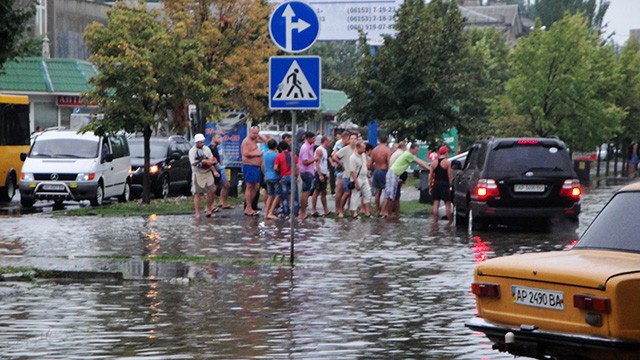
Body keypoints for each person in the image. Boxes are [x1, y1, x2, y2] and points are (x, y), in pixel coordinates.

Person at [380, 143, 429, 218]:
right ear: (411, 149)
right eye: (416, 150)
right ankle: (384, 212)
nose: (417, 152)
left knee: (390, 194)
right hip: (393, 173)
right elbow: (421, 164)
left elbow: (422, 162)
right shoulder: (408, 155)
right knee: (390, 194)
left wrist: (430, 164)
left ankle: (385, 212)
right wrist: (431, 169)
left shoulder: (409, 155)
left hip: (394, 174)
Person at [189, 133, 218, 219]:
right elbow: (194, 163)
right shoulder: (192, 151)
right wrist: (204, 162)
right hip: (198, 173)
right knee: (198, 193)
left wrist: (214, 171)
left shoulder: (207, 149)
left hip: (208, 172)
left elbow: (211, 160)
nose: (202, 144)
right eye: (200, 142)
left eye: (203, 142)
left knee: (212, 190)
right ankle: (197, 213)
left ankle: (208, 209)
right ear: (196, 142)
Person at [333, 132, 357, 218]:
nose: (353, 141)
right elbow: (334, 156)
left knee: (351, 193)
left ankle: (349, 210)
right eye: (351, 139)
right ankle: (340, 209)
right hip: (345, 174)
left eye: (355, 139)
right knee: (345, 192)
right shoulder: (343, 148)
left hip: (354, 175)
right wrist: (341, 165)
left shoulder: (357, 149)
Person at [428, 145, 454, 223]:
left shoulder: (433, 163)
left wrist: (430, 187)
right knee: (447, 204)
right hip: (444, 185)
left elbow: (430, 176)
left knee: (436, 203)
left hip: (436, 184)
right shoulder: (447, 163)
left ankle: (435, 222)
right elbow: (450, 176)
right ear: (445, 152)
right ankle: (450, 222)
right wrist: (451, 186)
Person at [241, 127, 263, 216]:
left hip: (256, 167)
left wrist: (259, 134)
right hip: (249, 166)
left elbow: (266, 140)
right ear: (249, 132)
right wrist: (258, 153)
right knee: (249, 186)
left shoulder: (255, 140)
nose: (255, 135)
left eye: (256, 133)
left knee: (257, 186)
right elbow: (245, 153)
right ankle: (248, 207)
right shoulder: (246, 141)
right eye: (253, 133)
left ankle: (249, 206)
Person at [274, 141, 299, 219]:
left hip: (283, 177)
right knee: (294, 196)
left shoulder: (279, 156)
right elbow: (297, 167)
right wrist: (296, 175)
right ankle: (295, 214)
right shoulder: (294, 155)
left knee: (284, 196)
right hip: (292, 176)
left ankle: (286, 214)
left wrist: (280, 170)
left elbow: (275, 167)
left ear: (280, 148)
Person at [209, 133, 233, 210]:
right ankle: (211, 205)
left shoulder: (218, 147)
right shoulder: (211, 148)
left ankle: (223, 202)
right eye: (218, 137)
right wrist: (214, 170)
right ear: (213, 138)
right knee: (214, 187)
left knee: (226, 185)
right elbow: (211, 161)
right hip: (216, 169)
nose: (220, 139)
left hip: (221, 168)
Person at [348, 141, 372, 219]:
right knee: (355, 195)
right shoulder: (353, 157)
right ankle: (354, 213)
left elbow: (365, 166)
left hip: (364, 177)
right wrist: (356, 182)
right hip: (357, 178)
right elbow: (352, 171)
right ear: (358, 148)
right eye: (363, 148)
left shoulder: (363, 155)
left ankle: (367, 212)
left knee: (367, 194)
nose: (364, 150)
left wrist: (368, 176)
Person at [370, 134, 391, 216]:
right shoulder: (387, 150)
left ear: (379, 140)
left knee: (377, 192)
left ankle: (377, 210)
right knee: (386, 191)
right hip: (384, 171)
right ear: (386, 141)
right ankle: (383, 210)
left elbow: (371, 163)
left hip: (376, 170)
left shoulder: (374, 150)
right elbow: (389, 163)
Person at [297, 131, 316, 220]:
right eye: (313, 138)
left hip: (309, 172)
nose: (314, 140)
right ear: (308, 138)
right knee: (306, 192)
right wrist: (314, 159)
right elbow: (305, 162)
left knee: (307, 192)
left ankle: (303, 212)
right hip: (306, 172)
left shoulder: (310, 146)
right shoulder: (305, 148)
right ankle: (302, 213)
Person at [311, 136, 331, 217]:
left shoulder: (325, 150)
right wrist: (320, 174)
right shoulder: (320, 150)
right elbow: (317, 163)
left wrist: (326, 173)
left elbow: (324, 163)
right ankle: (313, 209)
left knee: (323, 191)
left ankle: (326, 209)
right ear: (325, 141)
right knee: (317, 191)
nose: (329, 143)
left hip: (324, 172)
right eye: (328, 141)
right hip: (319, 173)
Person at [263, 139, 280, 220]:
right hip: (275, 176)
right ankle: (271, 212)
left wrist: (264, 174)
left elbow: (262, 165)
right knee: (277, 195)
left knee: (270, 195)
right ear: (275, 146)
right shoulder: (277, 155)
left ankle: (266, 213)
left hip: (267, 176)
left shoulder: (265, 154)